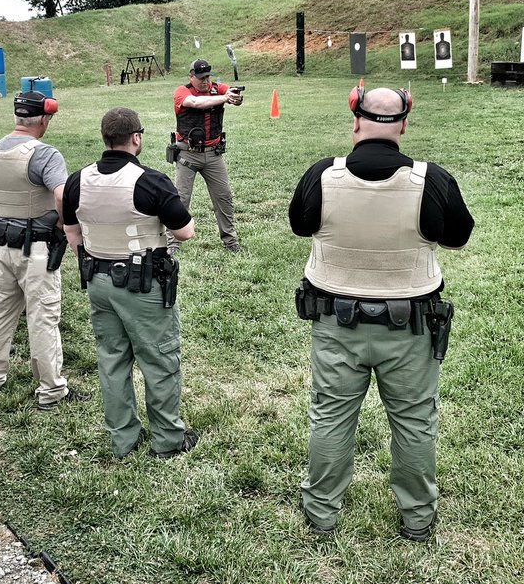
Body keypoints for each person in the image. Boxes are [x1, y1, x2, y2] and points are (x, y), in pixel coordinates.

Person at [288, 84, 474, 542]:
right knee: (413, 422)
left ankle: (321, 513)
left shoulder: (321, 176)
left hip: (336, 323)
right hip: (410, 327)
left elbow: (299, 225)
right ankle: (417, 518)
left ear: (356, 121)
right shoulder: (432, 180)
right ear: (404, 125)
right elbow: (457, 237)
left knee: (330, 417)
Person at [63, 107, 197, 459]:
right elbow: (186, 230)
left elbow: (72, 234)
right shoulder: (150, 181)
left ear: (106, 138)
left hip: (98, 279)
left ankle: (123, 440)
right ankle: (168, 439)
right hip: (142, 284)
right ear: (136, 137)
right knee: (160, 359)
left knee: (112, 359)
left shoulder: (79, 179)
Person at [0, 90, 75, 407]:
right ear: (43, 119)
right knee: (42, 319)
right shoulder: (45, 155)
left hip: (0, 247)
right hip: (37, 249)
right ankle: (51, 390)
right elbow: (62, 197)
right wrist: (64, 225)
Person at [169, 58, 243, 253]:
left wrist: (235, 97)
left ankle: (231, 242)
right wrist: (225, 98)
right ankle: (172, 244)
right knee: (180, 200)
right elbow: (196, 103)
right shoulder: (182, 92)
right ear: (191, 77)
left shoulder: (217, 89)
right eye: (201, 77)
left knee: (224, 197)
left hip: (213, 153)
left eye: (208, 77)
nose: (205, 81)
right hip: (187, 154)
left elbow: (231, 96)